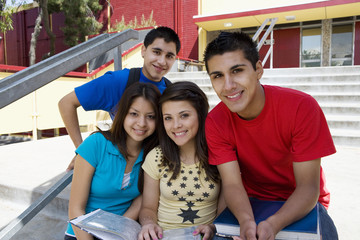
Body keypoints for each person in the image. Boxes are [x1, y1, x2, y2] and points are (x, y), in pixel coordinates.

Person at [203, 31, 338, 240]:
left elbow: (308, 188)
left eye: (237, 71)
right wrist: (247, 222)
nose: (228, 85)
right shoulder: (215, 121)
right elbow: (231, 184)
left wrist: (272, 225)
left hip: (303, 205)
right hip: (250, 203)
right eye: (218, 76)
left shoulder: (301, 107)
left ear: (258, 70)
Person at [58, 26, 181, 170]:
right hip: (120, 167)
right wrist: (82, 151)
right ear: (143, 50)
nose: (161, 61)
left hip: (154, 168)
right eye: (156, 52)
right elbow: (66, 103)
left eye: (169, 56)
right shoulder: (118, 81)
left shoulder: (170, 91)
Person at [65, 82, 161, 240]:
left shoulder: (153, 154)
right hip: (81, 233)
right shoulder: (96, 144)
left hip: (121, 233)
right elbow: (76, 209)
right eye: (134, 114)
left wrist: (117, 232)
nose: (142, 123)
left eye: (150, 116)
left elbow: (141, 200)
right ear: (122, 114)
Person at [138, 81, 225, 240]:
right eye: (168, 118)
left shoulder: (219, 154)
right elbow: (148, 207)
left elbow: (224, 210)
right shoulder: (157, 157)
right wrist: (148, 224)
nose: (176, 125)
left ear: (200, 114)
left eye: (184, 115)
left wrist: (213, 227)